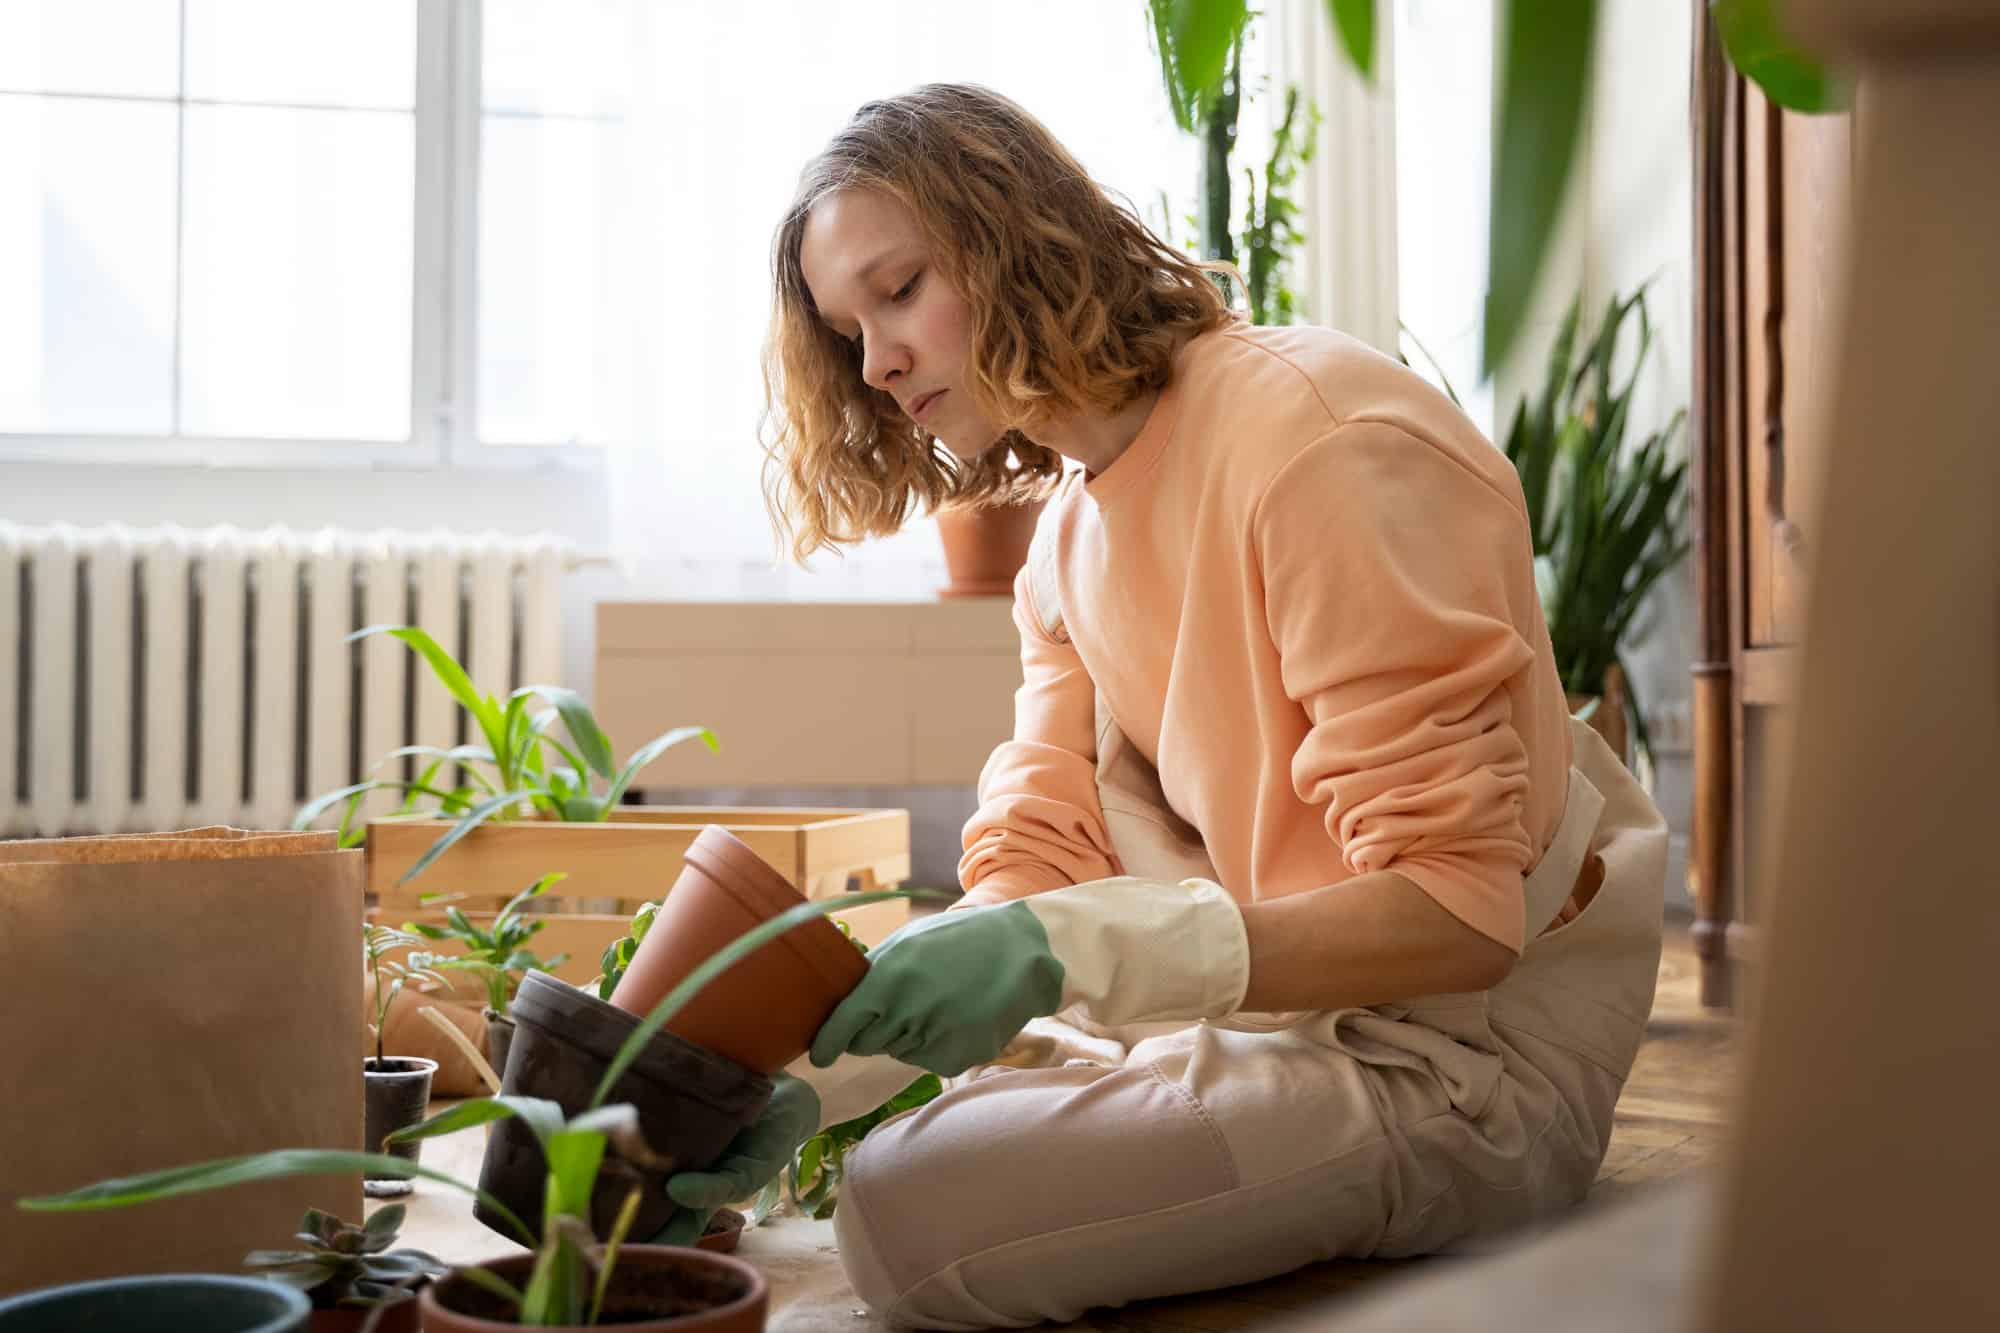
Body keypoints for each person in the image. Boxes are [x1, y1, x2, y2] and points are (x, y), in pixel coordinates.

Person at [656, 83, 1668, 1330]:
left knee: (910, 1217)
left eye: (900, 287)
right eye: (847, 328)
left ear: (1014, 234)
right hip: (1277, 1027)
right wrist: (819, 1079)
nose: (876, 361)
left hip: (1454, 1062)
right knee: (892, 1169)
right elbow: (1038, 860)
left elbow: (1456, 915)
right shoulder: (1065, 542)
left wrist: (1068, 954)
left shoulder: (1317, 440)